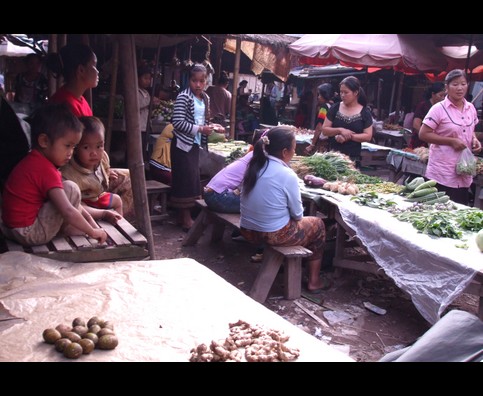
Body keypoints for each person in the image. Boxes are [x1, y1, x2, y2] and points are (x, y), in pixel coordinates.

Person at [0, 103, 107, 247]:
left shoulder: (31, 160)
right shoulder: (46, 170)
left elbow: (73, 207)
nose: (71, 153)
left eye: (74, 147)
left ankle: (76, 227)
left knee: (68, 190)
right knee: (70, 188)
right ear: (44, 141)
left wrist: (93, 226)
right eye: (67, 146)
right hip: (28, 233)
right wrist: (93, 232)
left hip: (10, 228)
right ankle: (72, 228)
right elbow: (68, 210)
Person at [239, 126, 330, 293]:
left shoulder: (254, 165)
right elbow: (297, 214)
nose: (295, 153)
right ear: (284, 152)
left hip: (247, 230)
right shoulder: (286, 174)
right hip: (271, 234)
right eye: (294, 149)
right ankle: (314, 280)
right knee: (318, 225)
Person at [170, 63, 225, 231]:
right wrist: (200, 129)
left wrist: (213, 126)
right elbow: (177, 122)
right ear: (189, 80)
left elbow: (203, 121)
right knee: (185, 180)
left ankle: (182, 218)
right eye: (195, 81)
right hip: (182, 146)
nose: (198, 85)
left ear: (206, 81)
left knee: (191, 179)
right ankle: (186, 219)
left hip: (194, 145)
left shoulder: (205, 98)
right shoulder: (183, 97)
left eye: (202, 81)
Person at [419, 69, 482, 206]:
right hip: (442, 172)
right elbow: (423, 134)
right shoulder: (438, 109)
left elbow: (469, 130)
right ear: (446, 87)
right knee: (436, 213)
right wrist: (451, 141)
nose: (460, 88)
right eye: (455, 84)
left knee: (458, 213)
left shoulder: (471, 108)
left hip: (464, 171)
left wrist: (474, 140)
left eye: (463, 84)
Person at [60, 116, 124, 222]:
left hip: (98, 198)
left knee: (117, 200)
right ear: (75, 148)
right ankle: (102, 214)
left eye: (99, 146)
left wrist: (108, 173)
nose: (94, 153)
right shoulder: (69, 171)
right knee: (77, 206)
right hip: (83, 202)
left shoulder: (103, 157)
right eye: (86, 147)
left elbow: (105, 169)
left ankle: (118, 225)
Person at [203, 129, 266, 214]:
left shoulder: (253, 154)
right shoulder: (259, 159)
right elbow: (248, 183)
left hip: (212, 194)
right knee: (264, 206)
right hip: (218, 197)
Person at [321, 76, 373, 168]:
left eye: (346, 92)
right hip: (333, 158)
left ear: (356, 92)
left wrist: (348, 137)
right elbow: (325, 130)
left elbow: (368, 136)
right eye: (341, 92)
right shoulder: (335, 108)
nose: (342, 95)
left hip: (353, 160)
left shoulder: (365, 113)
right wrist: (340, 130)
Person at [47, 43, 99, 117]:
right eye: (94, 65)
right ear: (81, 70)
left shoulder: (80, 100)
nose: (97, 71)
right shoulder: (65, 106)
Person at [409, 82, 446, 149]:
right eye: (440, 95)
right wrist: (427, 138)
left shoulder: (442, 109)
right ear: (433, 94)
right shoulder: (423, 106)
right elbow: (416, 125)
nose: (443, 98)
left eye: (444, 96)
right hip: (419, 144)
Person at [305, 83, 335, 155]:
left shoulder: (324, 108)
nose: (318, 97)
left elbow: (319, 127)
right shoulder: (334, 106)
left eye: (320, 95)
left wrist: (312, 145)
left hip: (324, 141)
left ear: (325, 95)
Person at [137, 65, 159, 159]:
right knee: (136, 150)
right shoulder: (134, 91)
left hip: (145, 126)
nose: (148, 81)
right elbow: (138, 104)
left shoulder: (146, 92)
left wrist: (153, 105)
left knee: (143, 150)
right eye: (145, 78)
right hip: (137, 127)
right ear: (138, 78)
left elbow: (147, 107)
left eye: (149, 79)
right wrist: (150, 101)